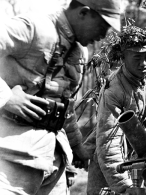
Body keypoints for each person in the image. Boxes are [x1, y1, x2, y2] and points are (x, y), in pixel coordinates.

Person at [0, 0, 121, 194]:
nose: (103, 35)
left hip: (53, 163)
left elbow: (65, 106)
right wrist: (6, 97)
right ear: (83, 13)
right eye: (102, 25)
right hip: (12, 161)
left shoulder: (78, 51)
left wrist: (76, 146)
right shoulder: (34, 27)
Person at [85, 24, 146, 195]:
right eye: (137, 58)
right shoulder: (113, 90)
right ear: (123, 58)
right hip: (116, 168)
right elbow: (109, 145)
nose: (144, 63)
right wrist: (124, 188)